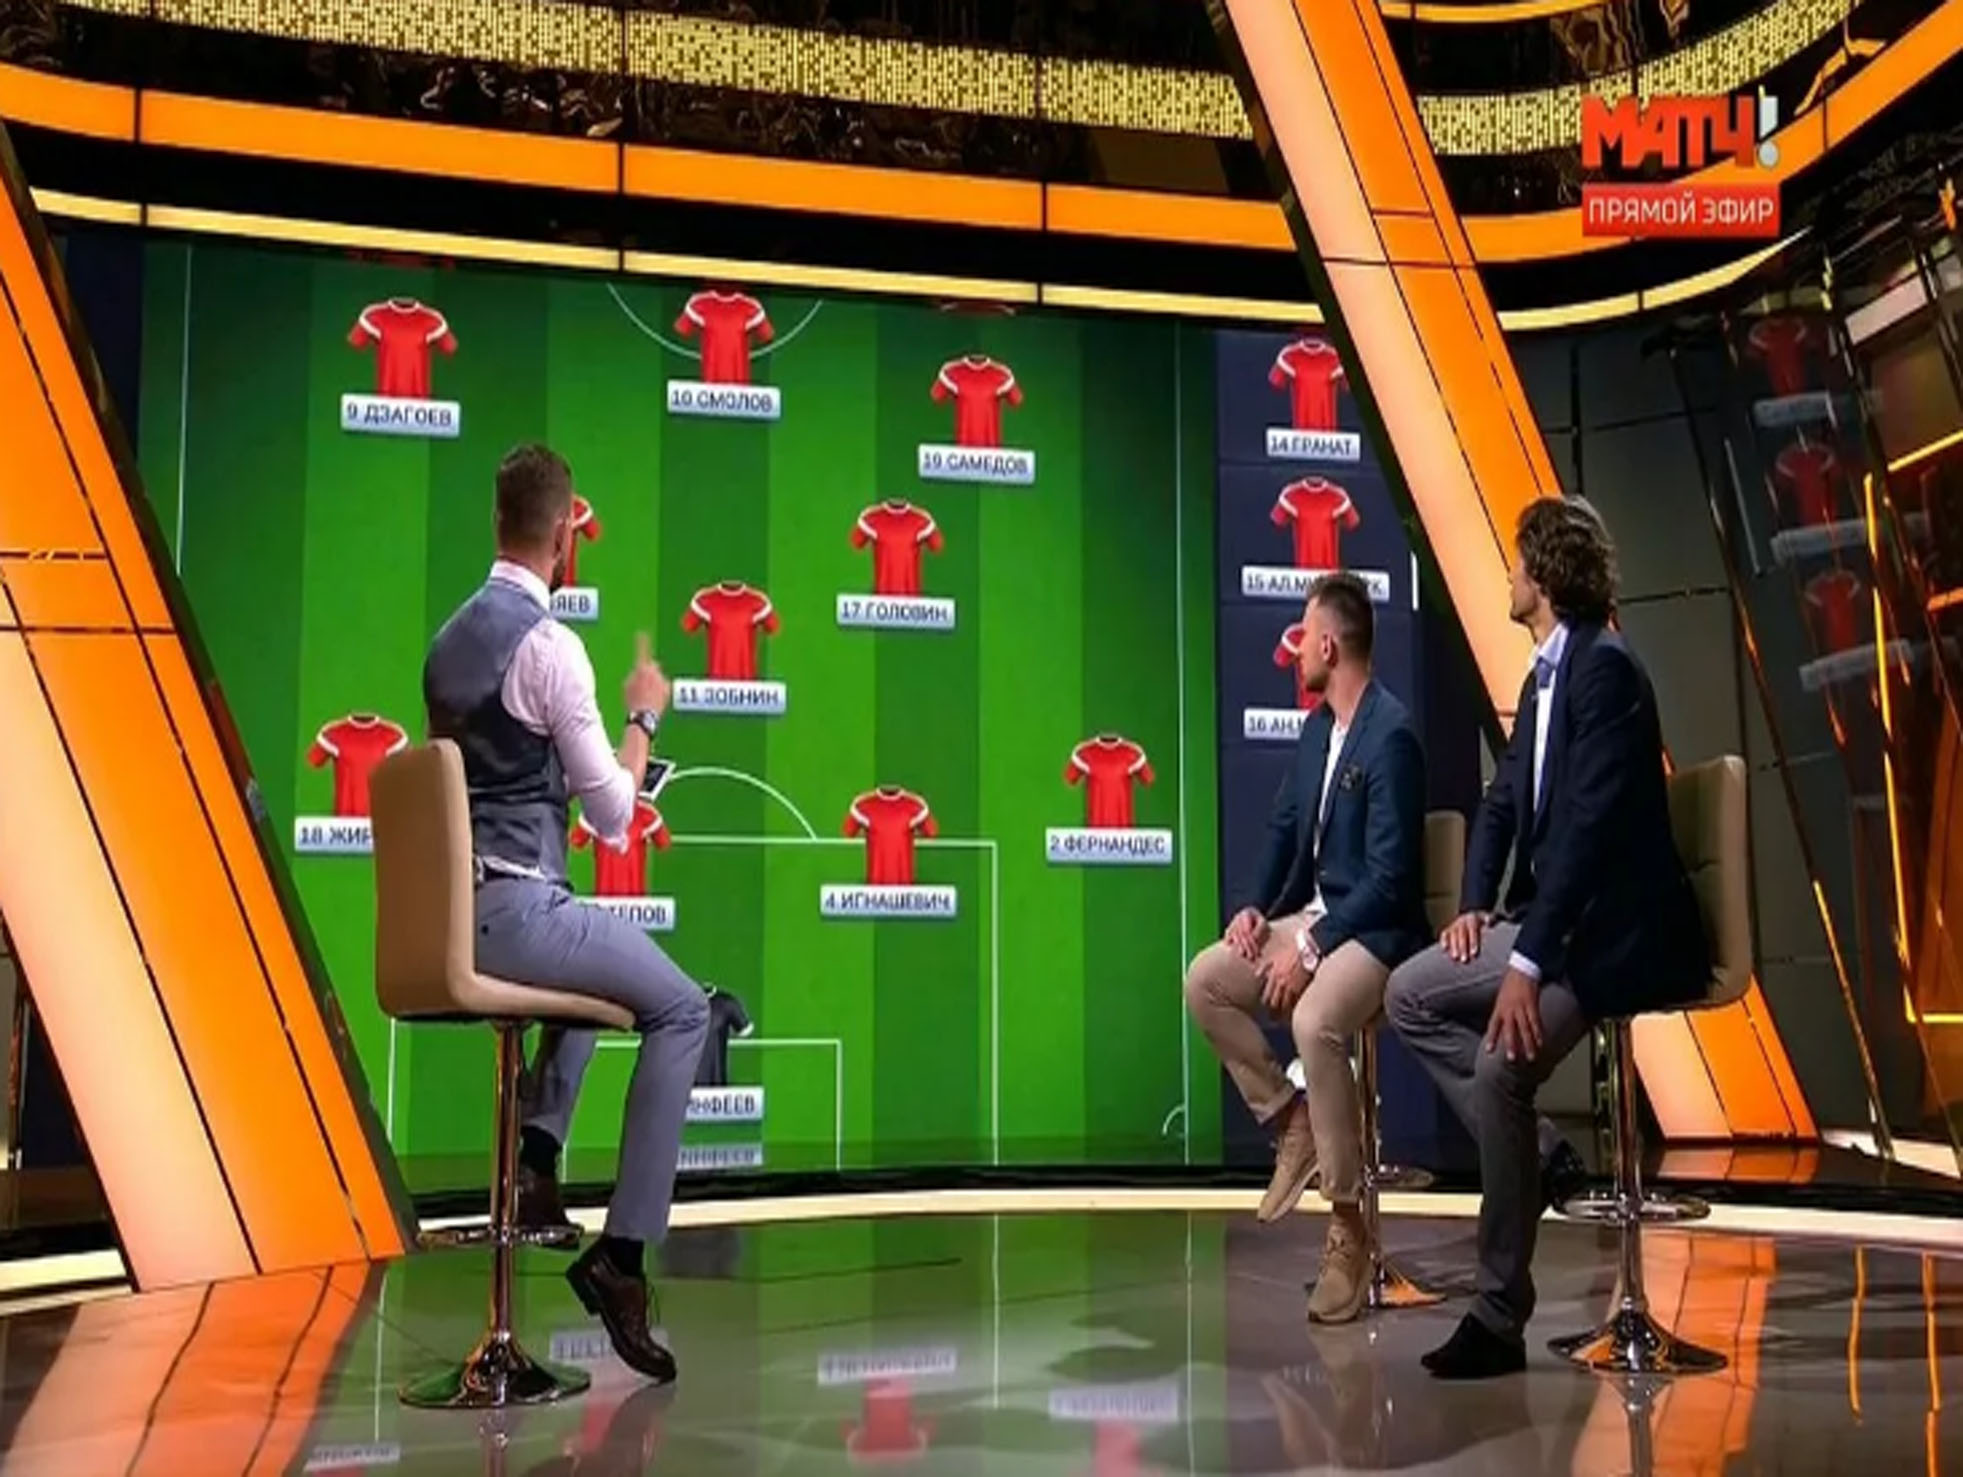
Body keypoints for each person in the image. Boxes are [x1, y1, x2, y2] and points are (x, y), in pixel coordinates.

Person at [1385, 496, 1708, 1380]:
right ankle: (1540, 1155)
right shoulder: (1543, 677)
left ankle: (1498, 1315)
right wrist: (1472, 906)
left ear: (1546, 571)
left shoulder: (1605, 670)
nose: (1508, 572)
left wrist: (1524, 962)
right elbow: (1500, 806)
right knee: (1409, 992)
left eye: (1516, 558)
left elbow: (1588, 832)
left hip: (1608, 934)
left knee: (1499, 1071)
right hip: (1546, 922)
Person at [424, 443, 707, 1384]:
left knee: (591, 950)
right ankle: (622, 1257)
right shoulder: (551, 648)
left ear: (497, 521)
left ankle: (537, 1162)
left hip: (459, 914)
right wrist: (643, 719)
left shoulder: (446, 643)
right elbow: (614, 817)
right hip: (516, 915)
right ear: (565, 535)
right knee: (682, 1008)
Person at [1184, 572, 1429, 1324]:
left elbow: (1390, 880)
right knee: (1206, 979)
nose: (1293, 649)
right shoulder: (1318, 729)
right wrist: (1256, 910)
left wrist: (1312, 946)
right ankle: (1289, 1116)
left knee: (1314, 1019)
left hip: (1375, 933)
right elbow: (1285, 829)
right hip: (1319, 920)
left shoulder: (1390, 735)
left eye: (1303, 634)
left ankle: (1347, 1226)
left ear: (1329, 645)